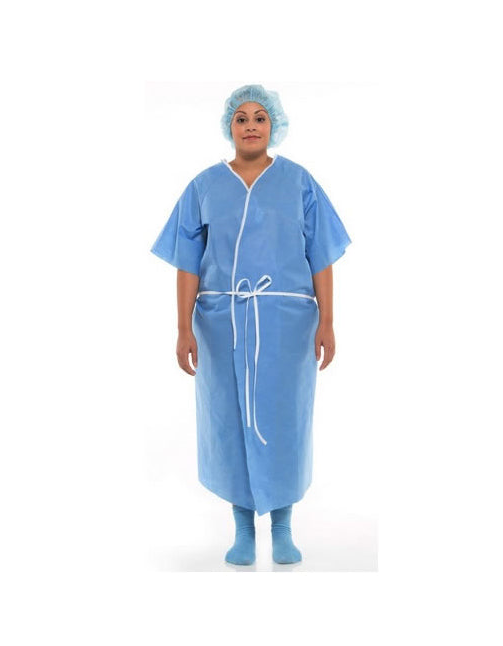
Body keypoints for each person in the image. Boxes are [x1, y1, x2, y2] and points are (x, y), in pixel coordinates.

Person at [150, 84, 352, 566]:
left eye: (260, 117)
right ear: (229, 126)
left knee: (285, 418)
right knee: (228, 419)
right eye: (241, 118)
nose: (251, 125)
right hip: (222, 323)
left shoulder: (299, 182)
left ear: (273, 125)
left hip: (286, 324)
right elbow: (187, 262)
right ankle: (242, 528)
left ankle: (282, 526)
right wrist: (183, 328)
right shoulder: (203, 186)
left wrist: (327, 321)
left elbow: (322, 255)